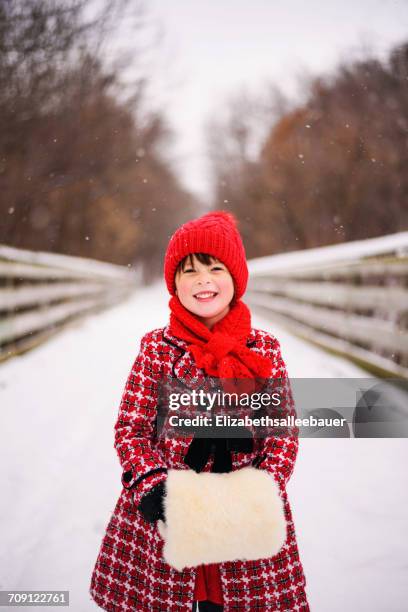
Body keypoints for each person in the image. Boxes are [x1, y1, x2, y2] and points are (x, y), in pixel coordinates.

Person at [89, 211, 309, 611]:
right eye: (189, 271)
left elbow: (282, 433)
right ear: (174, 284)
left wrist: (262, 489)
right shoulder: (157, 349)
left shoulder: (264, 350)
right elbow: (132, 429)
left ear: (236, 278)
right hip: (172, 512)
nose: (203, 280)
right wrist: (154, 488)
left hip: (243, 513)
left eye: (214, 267)